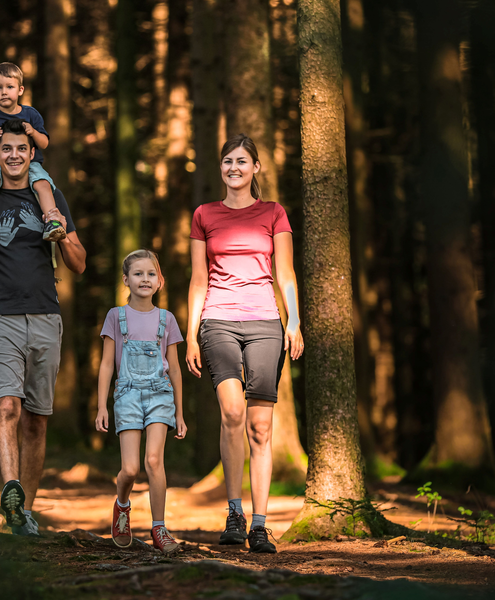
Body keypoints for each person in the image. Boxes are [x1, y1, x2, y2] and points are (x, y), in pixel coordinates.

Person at [0, 118, 87, 536]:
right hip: (0, 318)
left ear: (31, 154)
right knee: (6, 407)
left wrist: (62, 237)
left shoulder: (50, 196)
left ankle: (23, 513)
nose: (13, 155)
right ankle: (11, 492)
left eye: (21, 149)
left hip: (45, 316)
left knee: (36, 421)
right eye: (6, 149)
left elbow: (79, 263)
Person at [185, 134, 304, 554]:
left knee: (261, 427)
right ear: (221, 168)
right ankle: (234, 513)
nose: (233, 168)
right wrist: (191, 334)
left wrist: (294, 321)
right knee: (233, 413)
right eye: (227, 161)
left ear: (256, 168)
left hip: (265, 323)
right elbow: (198, 280)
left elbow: (285, 273)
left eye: (241, 161)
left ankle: (260, 524)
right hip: (218, 320)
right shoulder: (204, 214)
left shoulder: (273, 213)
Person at [95, 249, 187, 554]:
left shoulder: (167, 319)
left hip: (160, 394)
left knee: (154, 461)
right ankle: (122, 505)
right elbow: (106, 364)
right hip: (127, 394)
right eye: (138, 274)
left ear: (160, 281)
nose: (145, 279)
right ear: (126, 280)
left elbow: (175, 369)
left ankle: (159, 528)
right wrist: (101, 406)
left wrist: (180, 413)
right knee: (131, 469)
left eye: (151, 274)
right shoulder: (115, 316)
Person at [0, 62, 66, 244]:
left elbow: (44, 143)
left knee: (43, 183)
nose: (4, 92)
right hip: (0, 166)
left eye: (9, 87)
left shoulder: (31, 114)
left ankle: (52, 221)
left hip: (31, 164)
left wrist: (33, 132)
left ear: (20, 90)